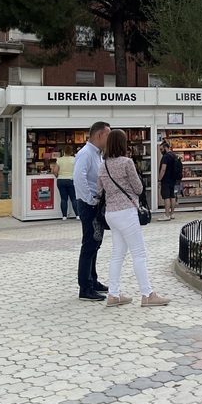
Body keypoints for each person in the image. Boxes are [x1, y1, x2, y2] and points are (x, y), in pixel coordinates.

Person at [97, 128, 169, 307]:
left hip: (111, 213)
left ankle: (113, 294)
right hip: (126, 212)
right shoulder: (127, 162)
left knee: (117, 255)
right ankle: (147, 294)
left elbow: (99, 190)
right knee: (139, 254)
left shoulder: (103, 164)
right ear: (122, 144)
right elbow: (138, 188)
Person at [74, 121, 111, 301]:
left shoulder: (97, 155)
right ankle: (85, 287)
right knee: (89, 244)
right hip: (89, 205)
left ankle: (92, 279)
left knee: (96, 243)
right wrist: (90, 199)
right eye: (107, 135)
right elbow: (79, 179)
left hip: (95, 204)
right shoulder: (86, 154)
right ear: (99, 135)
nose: (109, 139)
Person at [52, 145, 77, 219]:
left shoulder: (59, 160)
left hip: (61, 180)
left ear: (64, 152)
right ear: (72, 152)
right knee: (74, 198)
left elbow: (55, 171)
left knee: (63, 199)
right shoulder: (74, 159)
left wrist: (58, 177)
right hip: (71, 180)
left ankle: (64, 216)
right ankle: (77, 215)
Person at [157, 141, 177, 221]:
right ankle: (172, 213)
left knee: (166, 197)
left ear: (165, 148)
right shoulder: (173, 155)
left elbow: (163, 169)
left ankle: (166, 215)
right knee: (172, 196)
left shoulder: (165, 157)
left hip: (166, 179)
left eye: (161, 149)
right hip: (173, 178)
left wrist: (159, 179)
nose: (160, 151)